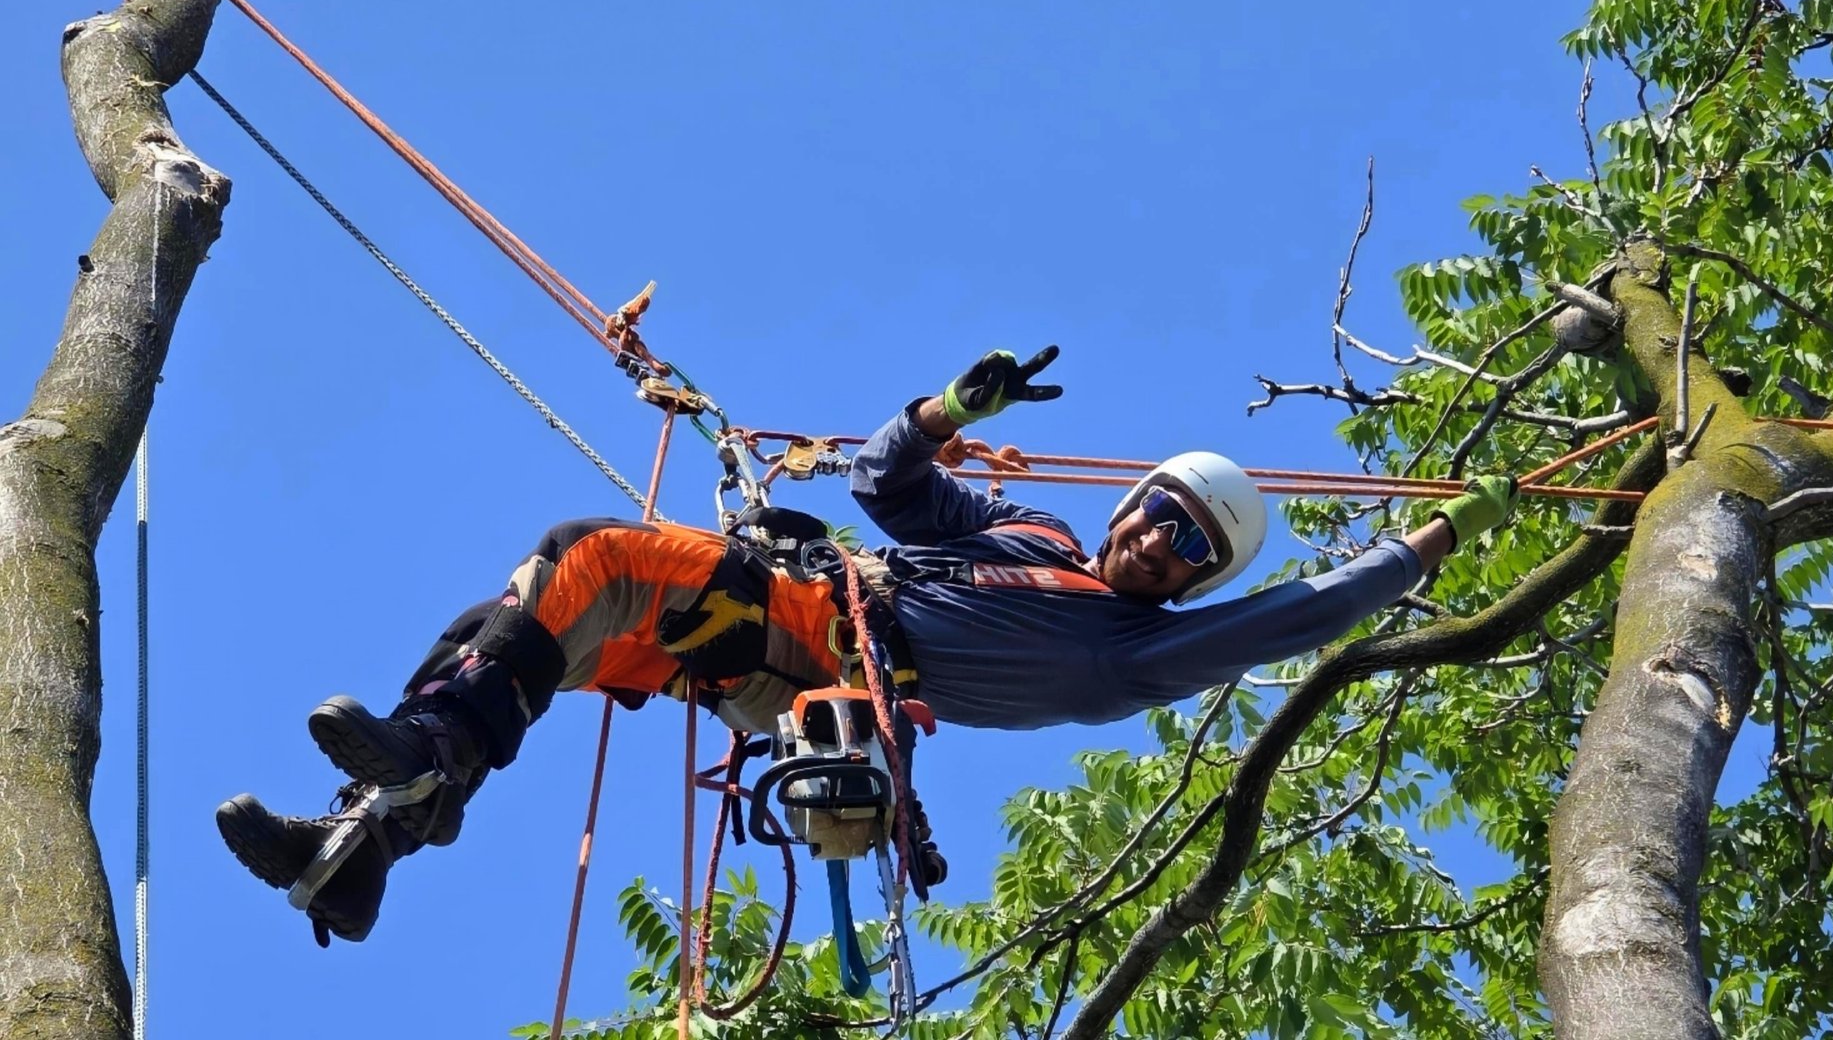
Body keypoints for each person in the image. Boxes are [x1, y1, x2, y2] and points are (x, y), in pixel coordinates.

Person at [217, 346, 1516, 945]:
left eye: (1191, 551)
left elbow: (1291, 620)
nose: (1162, 544)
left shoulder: (1137, 655)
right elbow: (889, 486)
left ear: (1195, 584)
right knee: (531, 607)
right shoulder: (1029, 538)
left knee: (597, 553)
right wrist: (957, 406)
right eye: (1162, 514)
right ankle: (367, 837)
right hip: (775, 636)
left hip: (829, 653)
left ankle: (419, 779)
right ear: (1131, 504)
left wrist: (1423, 552)